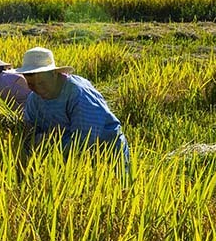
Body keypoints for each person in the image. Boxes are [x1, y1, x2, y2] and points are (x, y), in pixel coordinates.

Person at [15, 47, 130, 178]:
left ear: (54, 74)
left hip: (106, 154)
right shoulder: (34, 99)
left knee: (115, 193)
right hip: (67, 161)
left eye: (42, 83)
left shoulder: (78, 93)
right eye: (31, 84)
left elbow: (85, 141)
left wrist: (48, 143)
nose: (38, 89)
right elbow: (29, 130)